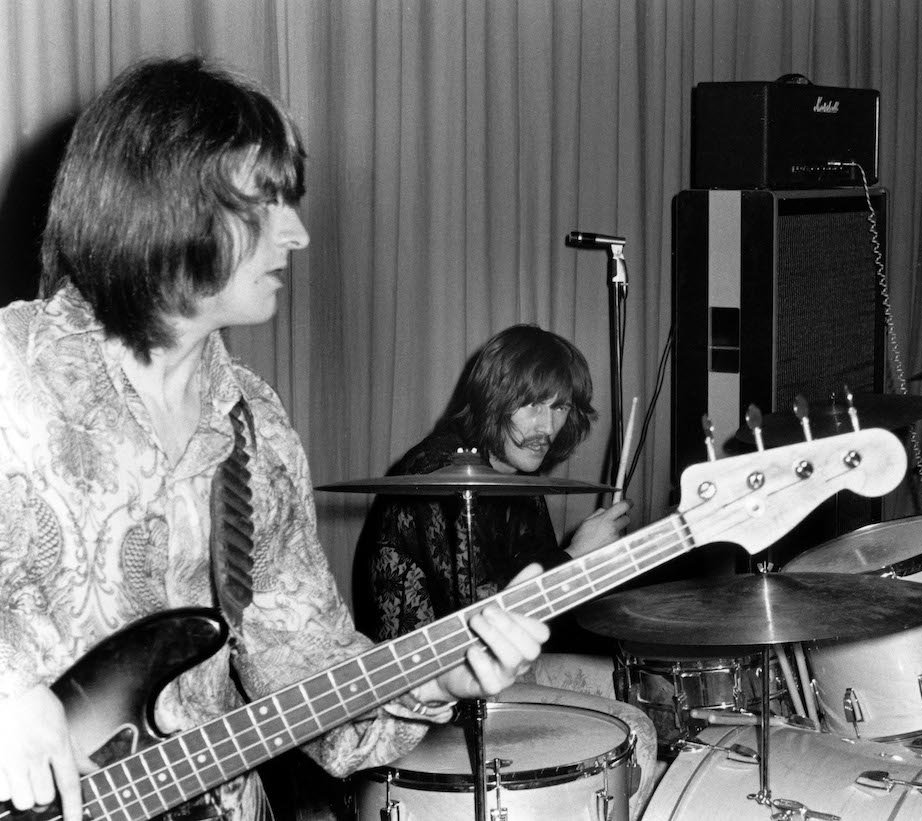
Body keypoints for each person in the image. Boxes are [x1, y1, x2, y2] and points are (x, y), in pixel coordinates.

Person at [0, 56, 547, 821]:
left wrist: (446, 672)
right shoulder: (12, 377)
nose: (297, 233)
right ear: (168, 203)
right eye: (267, 203)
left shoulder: (253, 425)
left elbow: (308, 674)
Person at [355, 323, 632, 645]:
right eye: (533, 404)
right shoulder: (435, 472)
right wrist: (577, 553)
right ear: (492, 399)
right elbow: (483, 617)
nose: (548, 426)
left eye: (560, 406)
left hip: (500, 667)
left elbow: (544, 608)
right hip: (423, 684)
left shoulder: (519, 472)